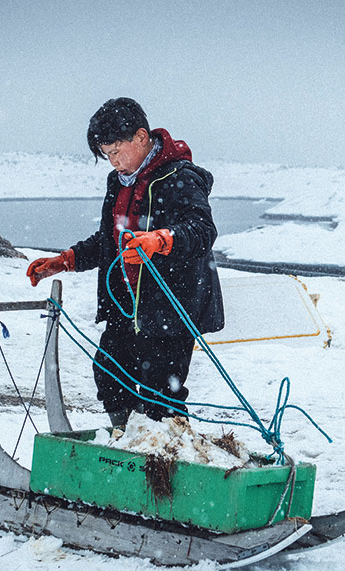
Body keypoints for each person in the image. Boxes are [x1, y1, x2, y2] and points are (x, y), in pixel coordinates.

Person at [26, 97, 224, 427]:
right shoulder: (118, 182)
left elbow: (202, 230)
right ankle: (127, 439)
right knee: (109, 377)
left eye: (117, 151)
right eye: (107, 155)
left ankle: (167, 460)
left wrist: (160, 240)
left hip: (169, 309)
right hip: (124, 305)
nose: (114, 162)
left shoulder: (180, 177)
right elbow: (109, 240)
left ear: (141, 137)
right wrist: (66, 261)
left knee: (160, 394)